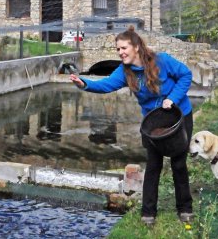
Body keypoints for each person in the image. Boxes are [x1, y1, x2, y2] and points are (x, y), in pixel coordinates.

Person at [70, 26, 193, 225]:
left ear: (136, 47)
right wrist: (84, 84)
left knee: (179, 163)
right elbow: (107, 85)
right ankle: (148, 213)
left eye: (123, 48)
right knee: (153, 165)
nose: (120, 52)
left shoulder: (161, 60)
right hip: (152, 123)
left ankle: (185, 209)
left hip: (179, 117)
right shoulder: (124, 71)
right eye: (117, 49)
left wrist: (173, 98)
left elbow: (186, 75)